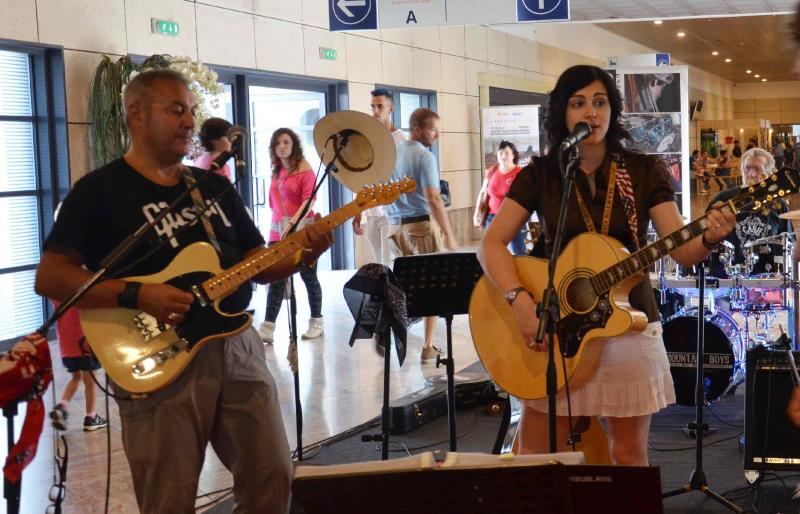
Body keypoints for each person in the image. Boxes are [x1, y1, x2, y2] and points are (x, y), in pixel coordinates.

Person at [34, 69, 333, 513]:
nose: (190, 121)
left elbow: (260, 264)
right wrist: (137, 295)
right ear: (136, 114)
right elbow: (51, 277)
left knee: (272, 475)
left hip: (235, 344)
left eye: (191, 111)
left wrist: (305, 253)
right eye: (176, 110)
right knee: (168, 498)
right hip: (157, 357)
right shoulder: (98, 191)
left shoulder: (212, 187)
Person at [477, 64, 735, 465]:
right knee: (537, 453)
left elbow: (681, 250)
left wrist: (710, 236)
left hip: (627, 323)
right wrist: (519, 301)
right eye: (578, 103)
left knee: (629, 454)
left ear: (613, 111)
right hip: (557, 327)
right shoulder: (542, 173)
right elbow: (490, 245)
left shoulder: (643, 170)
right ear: (562, 113)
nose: (591, 113)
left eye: (600, 102)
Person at [386, 107, 458, 363]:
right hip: (421, 228)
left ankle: (393, 328)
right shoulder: (425, 157)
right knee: (432, 287)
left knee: (404, 286)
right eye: (433, 129)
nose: (436, 135)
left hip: (395, 229)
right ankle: (427, 346)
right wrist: (449, 234)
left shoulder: (392, 153)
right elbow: (434, 198)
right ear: (417, 130)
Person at [257, 128, 324, 344]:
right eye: (277, 143)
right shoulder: (277, 171)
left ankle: (316, 322)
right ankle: (268, 327)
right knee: (276, 278)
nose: (282, 146)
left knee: (308, 276)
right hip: (277, 232)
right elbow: (273, 204)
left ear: (294, 144)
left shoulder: (305, 170)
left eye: (286, 142)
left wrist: (294, 222)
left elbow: (309, 200)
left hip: (302, 230)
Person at [352, 88, 407, 266]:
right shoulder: (367, 139)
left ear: (391, 108)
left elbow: (405, 177)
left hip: (392, 210)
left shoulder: (400, 139)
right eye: (373, 106)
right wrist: (357, 211)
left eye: (380, 106)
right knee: (378, 263)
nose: (375, 111)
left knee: (388, 261)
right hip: (371, 210)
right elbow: (362, 176)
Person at [48, 303, 108, 432]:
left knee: (76, 378)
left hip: (66, 347)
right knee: (90, 384)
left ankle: (62, 406)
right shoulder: (82, 295)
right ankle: (91, 417)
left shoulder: (56, 296)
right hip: (85, 344)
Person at [473, 140, 526, 255]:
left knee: (518, 252)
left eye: (506, 153)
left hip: (512, 218)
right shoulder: (492, 171)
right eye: (500, 153)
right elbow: (483, 192)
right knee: (492, 251)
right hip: (492, 217)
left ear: (513, 155)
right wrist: (477, 212)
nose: (503, 156)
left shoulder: (519, 173)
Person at [194, 117, 233, 181]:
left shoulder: (199, 160)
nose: (232, 141)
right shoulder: (221, 166)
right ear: (214, 140)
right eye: (229, 137)